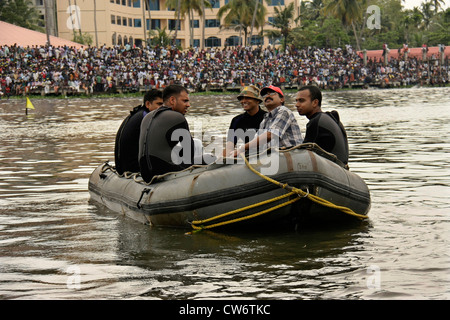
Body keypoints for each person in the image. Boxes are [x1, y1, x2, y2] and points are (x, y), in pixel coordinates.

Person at [138, 84, 198, 182]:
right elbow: (189, 154)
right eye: (185, 101)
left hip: (145, 174)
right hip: (164, 171)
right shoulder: (177, 117)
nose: (188, 105)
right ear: (172, 100)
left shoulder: (147, 117)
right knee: (206, 159)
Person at [229, 85, 303, 157]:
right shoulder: (265, 119)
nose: (267, 96)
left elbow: (270, 135)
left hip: (293, 154)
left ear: (282, 99)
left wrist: (241, 148)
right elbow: (257, 143)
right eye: (264, 95)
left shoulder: (284, 111)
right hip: (277, 156)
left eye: (272, 93)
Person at [295, 85, 349, 165]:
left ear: (315, 103)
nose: (297, 104)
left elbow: (303, 153)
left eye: (301, 101)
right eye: (296, 101)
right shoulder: (330, 117)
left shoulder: (315, 122)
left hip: (333, 170)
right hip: (342, 168)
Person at [114, 89, 163, 175]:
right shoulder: (146, 117)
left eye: (163, 104)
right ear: (148, 104)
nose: (162, 107)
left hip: (123, 166)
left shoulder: (138, 113)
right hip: (133, 169)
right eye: (159, 104)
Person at [223, 85, 266, 157]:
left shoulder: (267, 118)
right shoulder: (236, 120)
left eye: (248, 98)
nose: (243, 101)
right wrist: (224, 158)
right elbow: (230, 145)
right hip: (248, 155)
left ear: (257, 101)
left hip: (265, 154)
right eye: (241, 99)